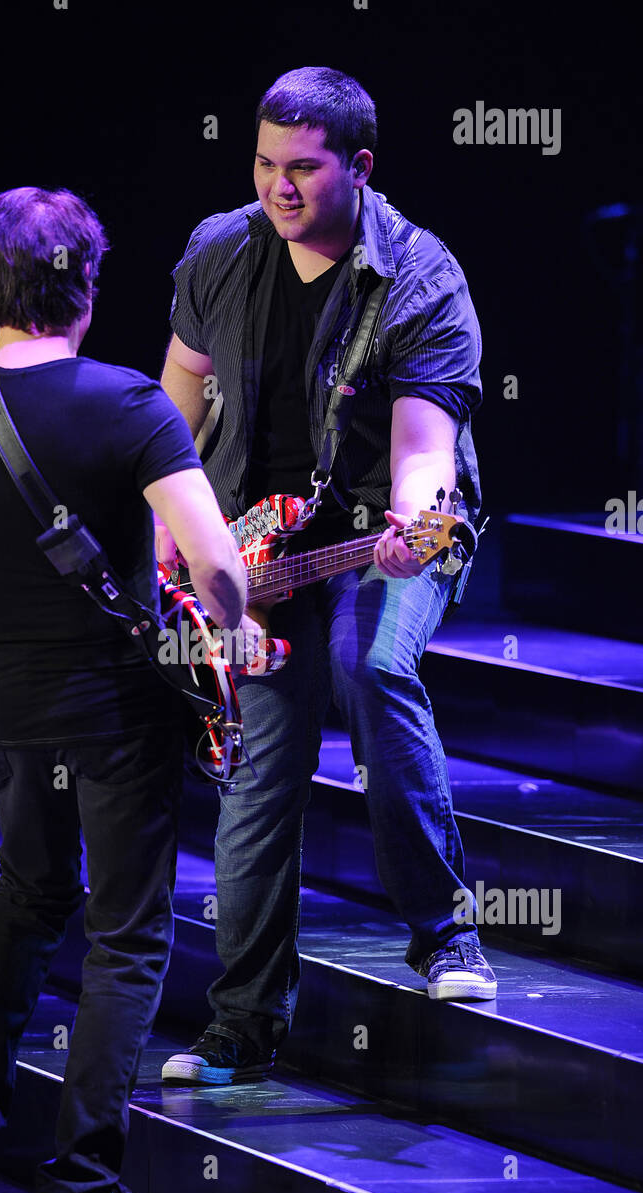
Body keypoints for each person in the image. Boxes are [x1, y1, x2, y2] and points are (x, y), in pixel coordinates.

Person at [0, 186, 250, 1193]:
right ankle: (79, 1191)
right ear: (86, 289)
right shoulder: (130, 405)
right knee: (126, 934)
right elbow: (217, 564)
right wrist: (222, 643)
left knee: (26, 894)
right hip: (115, 708)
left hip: (8, 705)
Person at [157, 66, 497, 1089]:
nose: (279, 187)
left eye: (302, 168)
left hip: (373, 541)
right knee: (259, 770)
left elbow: (424, 458)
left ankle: (446, 936)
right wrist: (173, 538)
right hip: (247, 551)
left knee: (376, 668)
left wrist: (407, 523)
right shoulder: (220, 248)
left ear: (358, 166)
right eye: (264, 164)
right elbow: (176, 397)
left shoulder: (421, 279)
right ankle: (241, 1023)